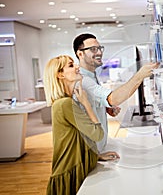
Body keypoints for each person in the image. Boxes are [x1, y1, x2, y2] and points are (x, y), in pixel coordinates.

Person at [43, 55, 120, 195]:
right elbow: (97, 134)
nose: (77, 67)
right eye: (71, 65)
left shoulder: (64, 102)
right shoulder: (65, 104)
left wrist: (96, 156)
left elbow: (79, 138)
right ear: (60, 74)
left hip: (75, 170)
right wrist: (86, 103)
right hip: (70, 175)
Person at [73, 33, 159, 151]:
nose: (99, 52)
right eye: (93, 49)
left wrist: (104, 106)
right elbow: (112, 99)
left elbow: (93, 102)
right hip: (92, 151)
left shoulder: (92, 76)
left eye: (99, 48)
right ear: (80, 54)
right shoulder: (83, 79)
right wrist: (140, 75)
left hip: (100, 147)